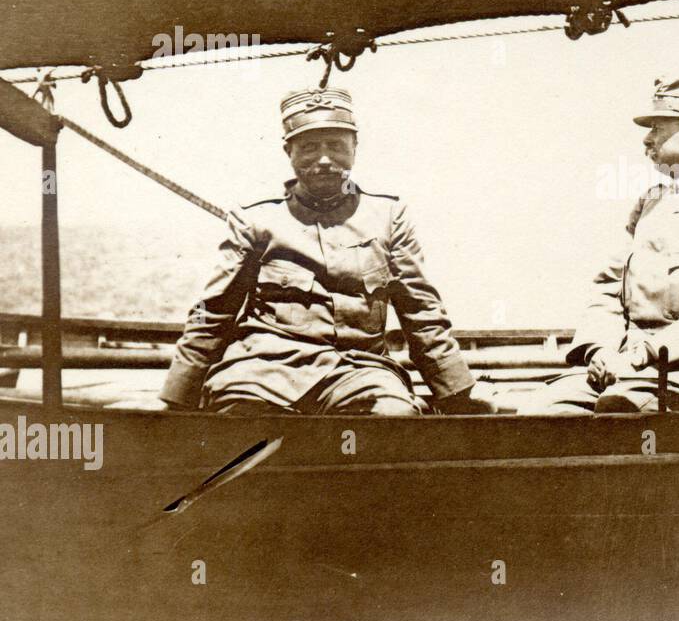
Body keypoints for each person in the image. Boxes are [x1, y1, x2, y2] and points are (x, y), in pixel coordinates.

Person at [159, 87, 490, 415]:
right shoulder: (255, 219)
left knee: (393, 419)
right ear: (288, 152)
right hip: (261, 370)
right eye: (309, 148)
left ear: (355, 148)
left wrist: (456, 396)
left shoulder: (389, 217)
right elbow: (214, 311)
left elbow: (421, 312)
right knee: (244, 424)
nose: (324, 160)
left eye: (336, 146)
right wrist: (177, 399)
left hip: (359, 371)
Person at [517, 75, 679, 414]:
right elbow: (606, 292)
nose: (647, 139)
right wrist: (601, 351)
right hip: (627, 372)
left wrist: (646, 353)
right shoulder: (648, 206)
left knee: (622, 413)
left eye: (657, 127)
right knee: (536, 416)